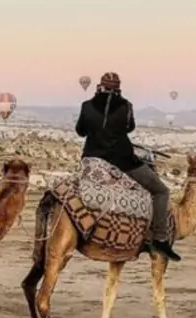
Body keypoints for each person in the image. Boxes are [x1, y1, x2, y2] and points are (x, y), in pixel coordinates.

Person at [75, 71, 180, 262]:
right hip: (122, 161)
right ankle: (160, 238)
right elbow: (130, 128)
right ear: (118, 88)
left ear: (100, 85)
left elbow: (80, 131)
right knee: (161, 191)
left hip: (92, 160)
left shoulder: (86, 106)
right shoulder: (126, 106)